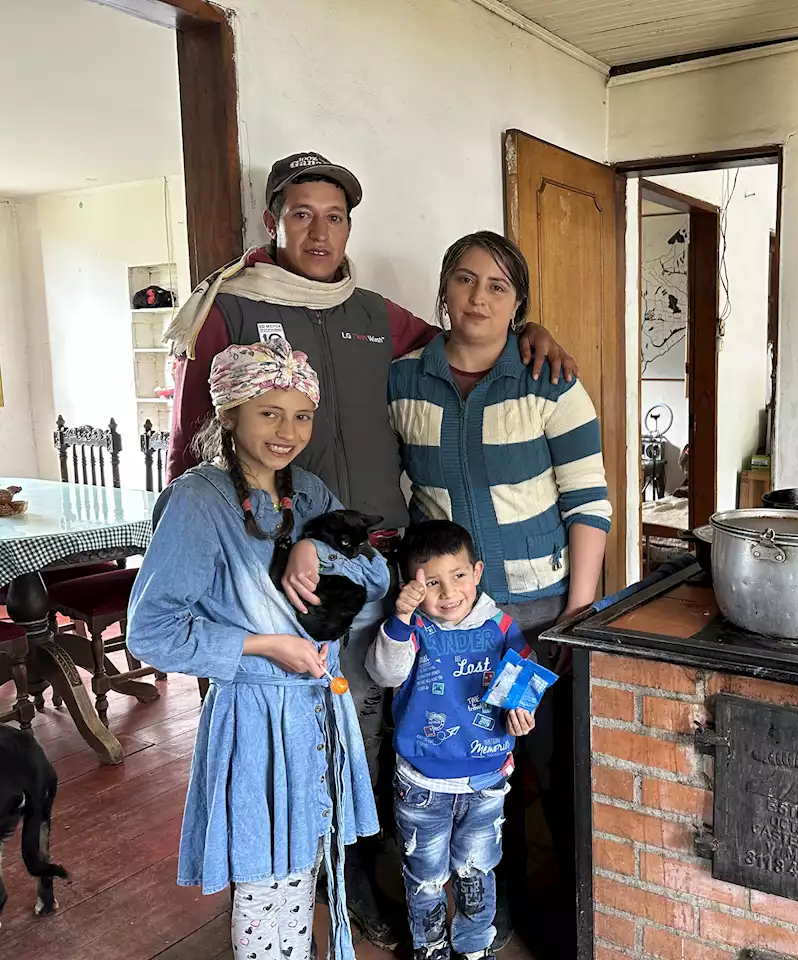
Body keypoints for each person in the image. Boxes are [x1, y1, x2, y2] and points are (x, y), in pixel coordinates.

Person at [163, 152, 577, 947]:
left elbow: (467, 329)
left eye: (335, 216)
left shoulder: (375, 313)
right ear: (273, 221)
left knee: (378, 723)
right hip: (285, 567)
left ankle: (379, 871)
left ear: (352, 224)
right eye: (301, 215)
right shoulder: (233, 307)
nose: (319, 232)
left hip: (380, 564)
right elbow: (194, 440)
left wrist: (530, 328)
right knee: (310, 727)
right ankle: (322, 885)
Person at [126, 340, 389, 960]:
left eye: (301, 415)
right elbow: (151, 631)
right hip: (255, 716)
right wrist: (265, 646)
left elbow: (378, 577)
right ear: (229, 414)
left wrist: (315, 549)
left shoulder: (312, 495)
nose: (287, 431)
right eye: (268, 412)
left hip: (317, 710)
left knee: (303, 864)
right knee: (265, 876)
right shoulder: (198, 501)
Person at [388, 231, 610, 948]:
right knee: (479, 770)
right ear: (444, 291)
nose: (478, 297)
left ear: (519, 305)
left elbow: (588, 502)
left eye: (498, 286)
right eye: (464, 279)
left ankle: (584, 922)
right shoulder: (401, 381)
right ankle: (494, 914)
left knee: (553, 765)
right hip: (449, 622)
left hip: (541, 616)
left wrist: (578, 611)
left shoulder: (549, 382)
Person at [366, 520, 537, 960]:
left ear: (477, 572)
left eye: (459, 576)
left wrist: (522, 714)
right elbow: (384, 673)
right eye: (433, 583)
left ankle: (475, 947)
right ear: (412, 587)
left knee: (478, 871)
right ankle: (430, 946)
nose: (448, 593)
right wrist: (401, 619)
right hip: (423, 785)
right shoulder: (413, 629)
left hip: (486, 781)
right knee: (425, 875)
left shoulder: (501, 627)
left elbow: (525, 679)